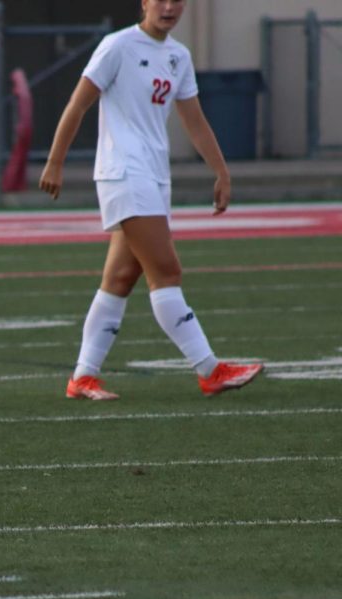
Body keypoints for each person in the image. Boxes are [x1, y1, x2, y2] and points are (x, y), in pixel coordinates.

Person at [40, 0, 262, 400]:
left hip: (155, 177)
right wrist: (55, 162)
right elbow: (78, 103)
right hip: (125, 172)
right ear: (144, 3)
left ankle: (82, 378)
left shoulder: (179, 56)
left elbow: (193, 119)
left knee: (121, 279)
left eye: (178, 0)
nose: (170, 6)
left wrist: (221, 171)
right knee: (166, 270)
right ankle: (210, 370)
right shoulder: (118, 46)